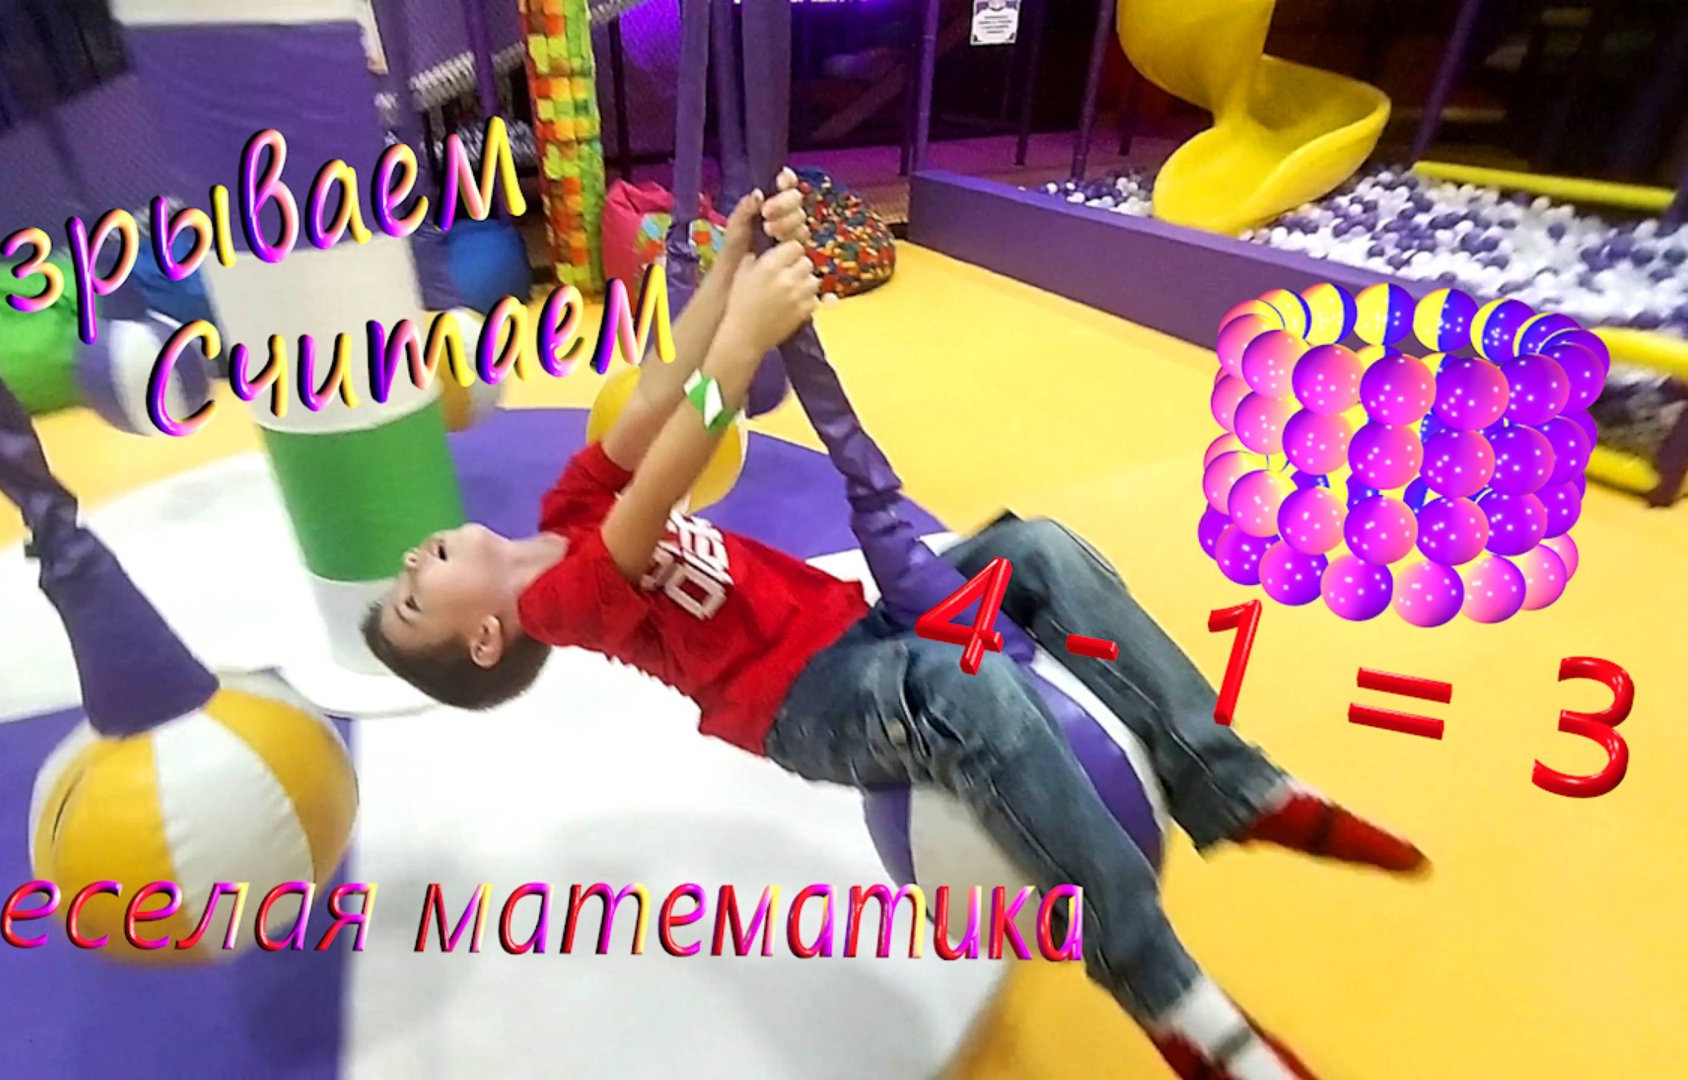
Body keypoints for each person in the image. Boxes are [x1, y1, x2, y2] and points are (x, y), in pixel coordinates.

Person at [363, 171, 1427, 1080]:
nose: (412, 562)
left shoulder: (561, 512)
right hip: (803, 703)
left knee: (1036, 551)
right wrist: (749, 338)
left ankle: (1228, 783)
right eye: (415, 599)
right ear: (488, 638)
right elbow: (665, 481)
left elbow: (656, 396)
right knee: (959, 687)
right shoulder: (560, 602)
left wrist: (725, 269)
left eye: (405, 572)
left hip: (851, 625)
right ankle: (1171, 997)